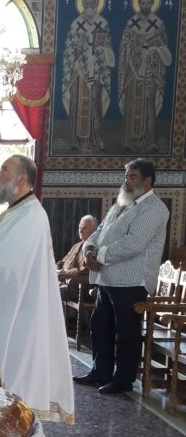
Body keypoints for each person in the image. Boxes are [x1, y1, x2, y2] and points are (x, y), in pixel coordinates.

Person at [0, 155, 74, 424]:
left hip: (17, 313)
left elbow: (6, 267)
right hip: (8, 309)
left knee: (13, 371)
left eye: (4, 170)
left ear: (22, 179)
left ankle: (6, 423)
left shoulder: (32, 216)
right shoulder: (17, 211)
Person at [75, 159, 169, 395]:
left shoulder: (155, 208)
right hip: (107, 278)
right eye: (126, 176)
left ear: (148, 181)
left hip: (131, 281)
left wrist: (99, 256)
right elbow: (99, 230)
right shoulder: (122, 202)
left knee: (126, 332)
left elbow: (133, 244)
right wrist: (88, 250)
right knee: (100, 327)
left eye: (132, 177)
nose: (126, 181)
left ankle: (123, 379)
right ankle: (101, 371)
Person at [117, 0, 172, 153]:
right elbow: (124, 46)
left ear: (152, 4)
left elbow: (164, 47)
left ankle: (151, 141)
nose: (145, 5)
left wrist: (154, 47)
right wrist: (132, 54)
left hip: (151, 71)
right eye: (143, 2)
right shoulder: (131, 23)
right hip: (133, 71)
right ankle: (129, 142)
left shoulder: (158, 23)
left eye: (148, 2)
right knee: (132, 105)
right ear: (138, 4)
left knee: (149, 105)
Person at [62, 0, 115, 152]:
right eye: (87, 3)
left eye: (93, 3)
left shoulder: (103, 24)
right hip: (79, 72)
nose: (90, 6)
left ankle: (96, 140)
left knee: (95, 106)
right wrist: (77, 48)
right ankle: (76, 140)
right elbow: (68, 50)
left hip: (96, 71)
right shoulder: (76, 24)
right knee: (77, 106)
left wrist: (101, 49)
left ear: (97, 5)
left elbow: (108, 49)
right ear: (83, 5)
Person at [56, 214, 98, 301]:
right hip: (64, 283)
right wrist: (57, 268)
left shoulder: (95, 248)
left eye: (84, 228)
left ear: (94, 231)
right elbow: (63, 262)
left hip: (81, 289)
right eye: (79, 228)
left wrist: (65, 274)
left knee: (53, 292)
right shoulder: (76, 245)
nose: (80, 231)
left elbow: (87, 271)